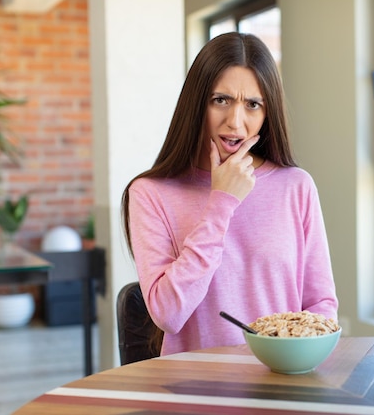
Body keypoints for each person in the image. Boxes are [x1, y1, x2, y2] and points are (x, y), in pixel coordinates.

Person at [121, 32, 338, 356]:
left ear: (268, 113)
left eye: (253, 104)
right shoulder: (151, 194)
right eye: (220, 100)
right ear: (197, 103)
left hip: (282, 386)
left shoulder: (296, 186)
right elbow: (168, 314)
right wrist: (222, 202)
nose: (236, 122)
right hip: (196, 392)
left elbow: (320, 304)